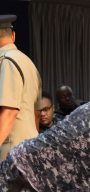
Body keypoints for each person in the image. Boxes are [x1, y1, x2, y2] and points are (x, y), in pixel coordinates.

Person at [0, 15, 42, 161]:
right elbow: (36, 113)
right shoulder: (28, 62)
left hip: (10, 151)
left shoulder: (7, 62)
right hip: (28, 149)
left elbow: (9, 112)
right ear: (13, 35)